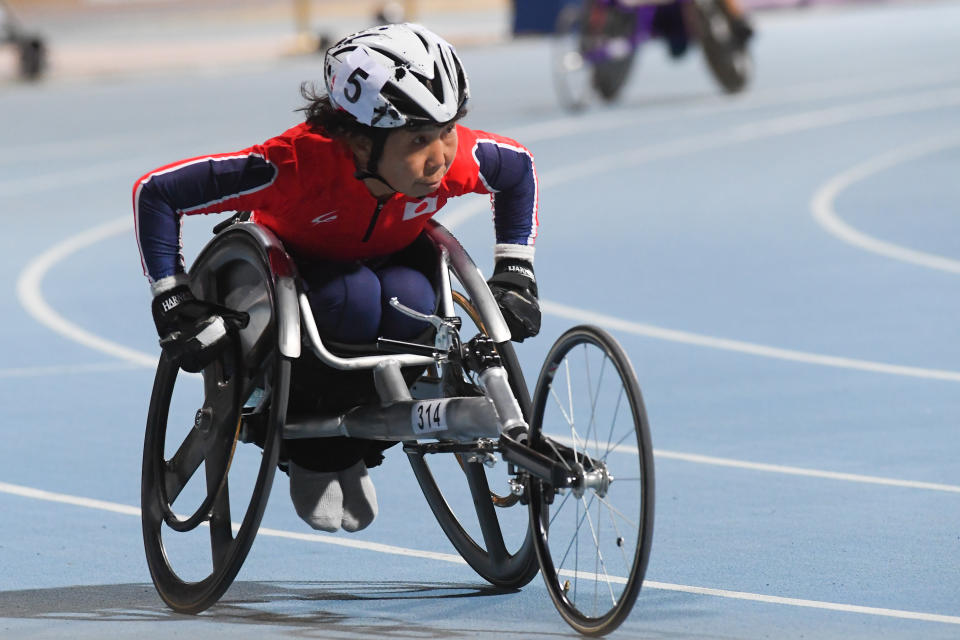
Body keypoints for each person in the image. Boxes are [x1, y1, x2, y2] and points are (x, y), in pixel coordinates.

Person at [133, 23, 540, 534]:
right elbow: (158, 193)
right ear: (357, 140)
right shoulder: (294, 166)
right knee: (353, 298)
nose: (440, 157)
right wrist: (170, 296)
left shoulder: (450, 158)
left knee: (412, 299)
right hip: (295, 289)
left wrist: (515, 270)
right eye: (419, 139)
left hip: (391, 268)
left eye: (447, 130)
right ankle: (315, 456)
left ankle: (360, 450)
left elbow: (517, 169)